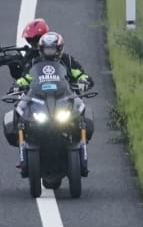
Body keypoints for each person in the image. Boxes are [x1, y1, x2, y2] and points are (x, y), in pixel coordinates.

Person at [11, 31, 95, 176]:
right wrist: (17, 86)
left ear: (59, 49)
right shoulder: (34, 63)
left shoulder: (68, 61)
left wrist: (83, 82)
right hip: (41, 100)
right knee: (20, 111)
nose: (49, 52)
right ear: (41, 49)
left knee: (82, 112)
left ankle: (81, 149)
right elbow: (25, 78)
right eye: (46, 49)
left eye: (52, 49)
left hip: (63, 98)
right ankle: (24, 151)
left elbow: (82, 75)